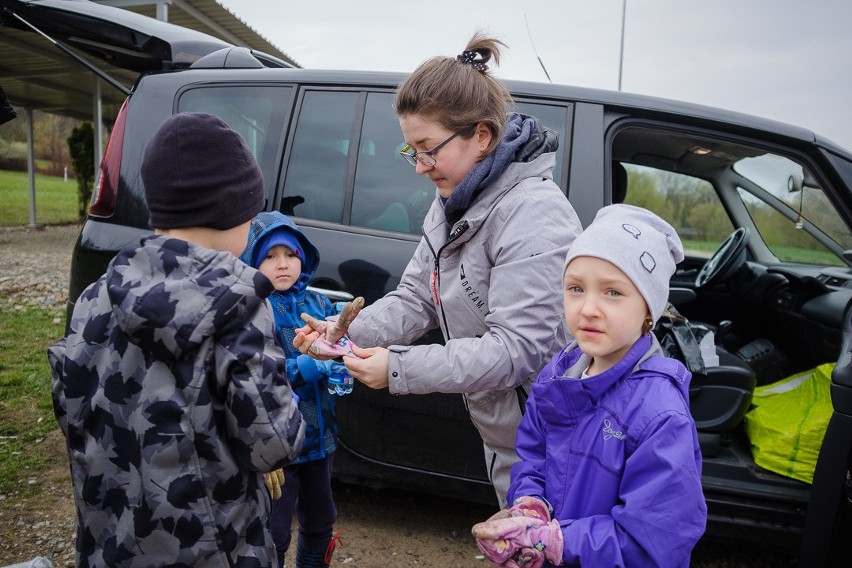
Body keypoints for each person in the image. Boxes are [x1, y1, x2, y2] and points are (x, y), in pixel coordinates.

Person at [294, 32, 583, 507]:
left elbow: (516, 352)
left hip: (556, 440)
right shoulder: (454, 198)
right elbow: (417, 297)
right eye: (412, 151)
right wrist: (344, 332)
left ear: (482, 136)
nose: (420, 167)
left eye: (428, 148)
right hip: (508, 432)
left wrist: (399, 369)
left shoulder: (534, 214)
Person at [48, 112, 305, 567]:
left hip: (113, 542)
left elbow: (72, 407)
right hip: (213, 548)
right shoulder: (239, 307)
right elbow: (272, 444)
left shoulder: (96, 295)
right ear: (237, 209)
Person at [471, 204, 707, 567]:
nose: (588, 309)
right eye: (576, 288)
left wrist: (558, 542)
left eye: (612, 292)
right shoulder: (558, 376)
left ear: (650, 308)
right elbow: (531, 455)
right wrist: (531, 506)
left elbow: (654, 542)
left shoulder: (661, 415)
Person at [242, 211, 349, 568]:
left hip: (320, 439)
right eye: (270, 256)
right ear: (252, 261)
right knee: (273, 529)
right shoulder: (253, 310)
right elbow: (256, 372)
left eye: (290, 254)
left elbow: (340, 346)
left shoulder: (317, 305)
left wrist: (341, 361)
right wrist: (309, 366)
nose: (282, 264)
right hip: (278, 447)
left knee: (320, 519)